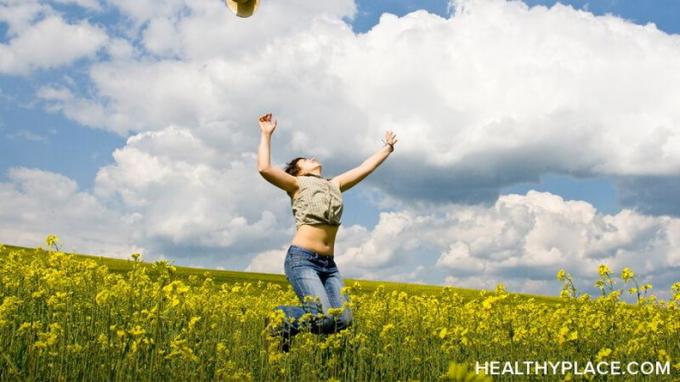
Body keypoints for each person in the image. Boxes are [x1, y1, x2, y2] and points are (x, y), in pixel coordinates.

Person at [256, 112, 397, 351]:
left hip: (328, 264)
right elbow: (265, 168)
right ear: (298, 171)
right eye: (305, 160)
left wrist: (388, 148)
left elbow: (365, 168)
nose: (312, 158)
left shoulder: (335, 184)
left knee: (343, 320)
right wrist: (266, 134)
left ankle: (285, 323)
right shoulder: (296, 185)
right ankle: (279, 317)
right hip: (302, 260)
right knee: (321, 318)